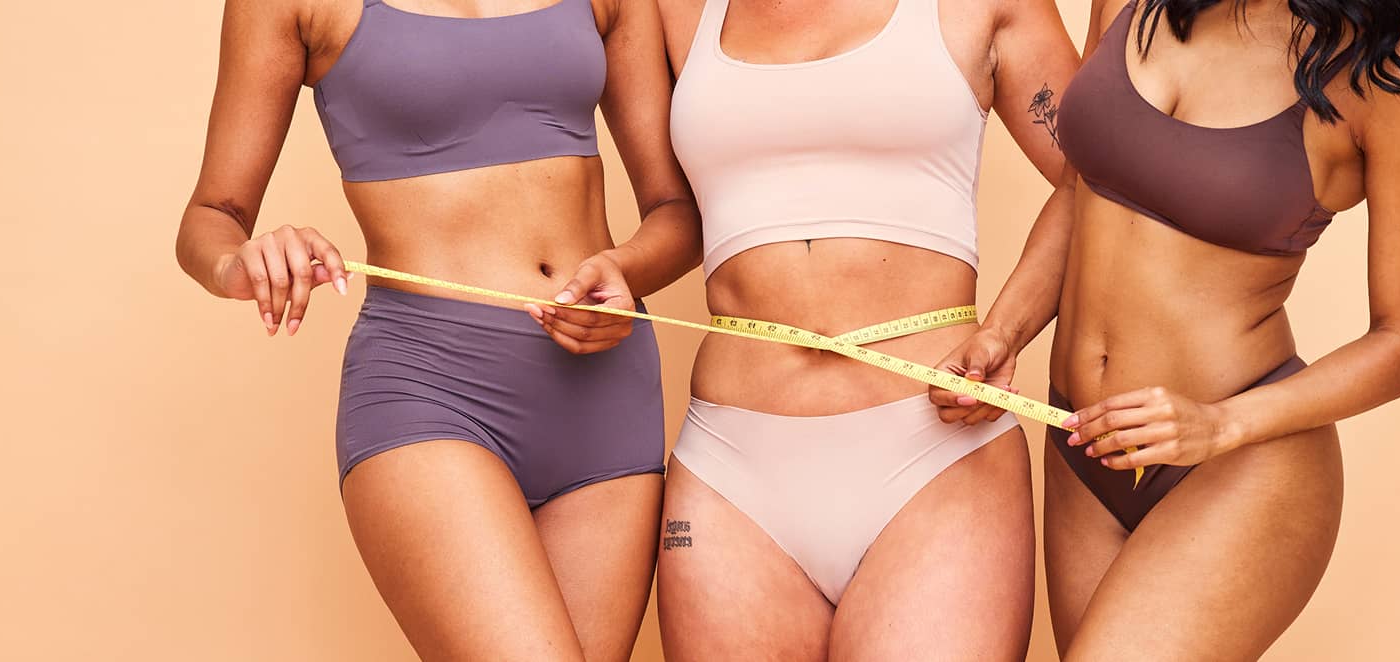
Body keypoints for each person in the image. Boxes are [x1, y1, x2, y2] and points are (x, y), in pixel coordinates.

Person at [931, 0, 1400, 657]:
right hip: (1087, 442)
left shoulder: (1390, 65)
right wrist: (1004, 332)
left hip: (1241, 460)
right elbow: (1081, 189)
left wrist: (1220, 426)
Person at [172, 0, 698, 658]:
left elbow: (676, 210)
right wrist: (236, 261)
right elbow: (211, 214)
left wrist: (625, 272)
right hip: (430, 386)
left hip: (606, 388)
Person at [646, 0, 1079, 656]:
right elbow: (663, 205)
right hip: (729, 469)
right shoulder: (676, 10)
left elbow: (1101, 181)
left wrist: (1006, 331)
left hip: (933, 457)